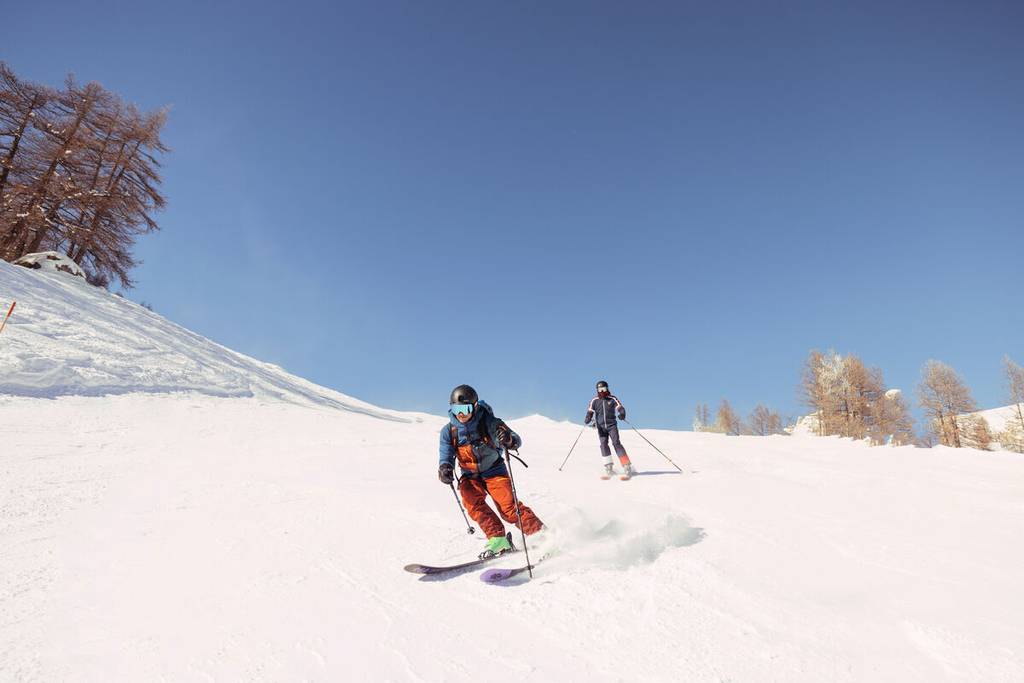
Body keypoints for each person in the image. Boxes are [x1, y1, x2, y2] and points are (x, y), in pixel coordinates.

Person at [438, 384, 545, 558]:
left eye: (465, 408)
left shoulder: (488, 422)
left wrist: (508, 439)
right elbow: (446, 453)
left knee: (509, 509)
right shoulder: (449, 431)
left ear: (474, 407)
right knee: (473, 504)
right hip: (470, 475)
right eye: (456, 409)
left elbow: (515, 439)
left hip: (494, 471)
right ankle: (498, 539)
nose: (461, 414)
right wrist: (445, 467)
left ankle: (542, 535)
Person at [584, 380, 636, 478]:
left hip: (612, 425)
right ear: (597, 390)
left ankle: (626, 465)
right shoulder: (594, 400)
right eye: (600, 389)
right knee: (603, 444)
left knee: (616, 443)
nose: (602, 391)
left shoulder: (612, 399)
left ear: (607, 388)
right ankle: (608, 467)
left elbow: (619, 407)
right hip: (601, 427)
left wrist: (622, 413)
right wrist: (588, 417)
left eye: (604, 389)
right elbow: (590, 411)